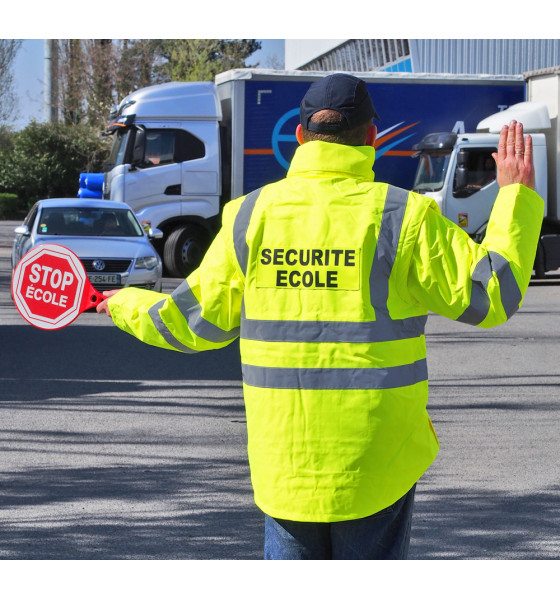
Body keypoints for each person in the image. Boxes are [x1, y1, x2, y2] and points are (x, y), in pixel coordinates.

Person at [97, 74, 544, 560]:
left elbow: (187, 323)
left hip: (285, 465)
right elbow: (494, 294)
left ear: (300, 136)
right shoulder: (404, 218)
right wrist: (515, 197)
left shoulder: (251, 216)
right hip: (377, 464)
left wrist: (120, 302)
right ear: (371, 138)